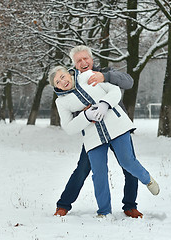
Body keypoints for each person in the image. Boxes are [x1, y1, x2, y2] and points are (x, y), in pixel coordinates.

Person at [49, 65, 159, 217]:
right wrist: (86, 116)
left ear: (69, 73)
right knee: (98, 173)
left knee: (128, 162)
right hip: (93, 137)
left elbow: (114, 91)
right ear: (56, 87)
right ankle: (104, 211)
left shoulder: (90, 76)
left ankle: (146, 182)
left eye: (62, 77)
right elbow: (68, 127)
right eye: (57, 82)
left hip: (117, 127)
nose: (62, 82)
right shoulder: (62, 102)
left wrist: (104, 104)